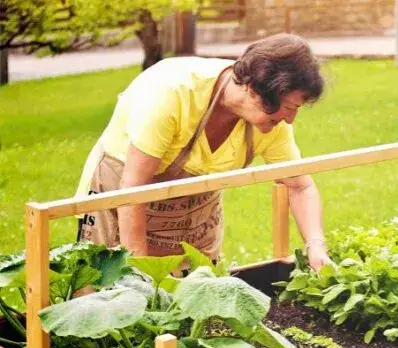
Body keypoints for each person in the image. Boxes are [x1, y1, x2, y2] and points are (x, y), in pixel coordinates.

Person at [75, 33, 331, 271]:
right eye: (288, 107)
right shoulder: (173, 93)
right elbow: (133, 189)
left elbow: (300, 186)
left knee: (199, 306)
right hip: (124, 199)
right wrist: (141, 274)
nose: (290, 120)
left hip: (194, 218)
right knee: (112, 299)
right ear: (255, 90)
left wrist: (315, 247)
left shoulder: (270, 124)